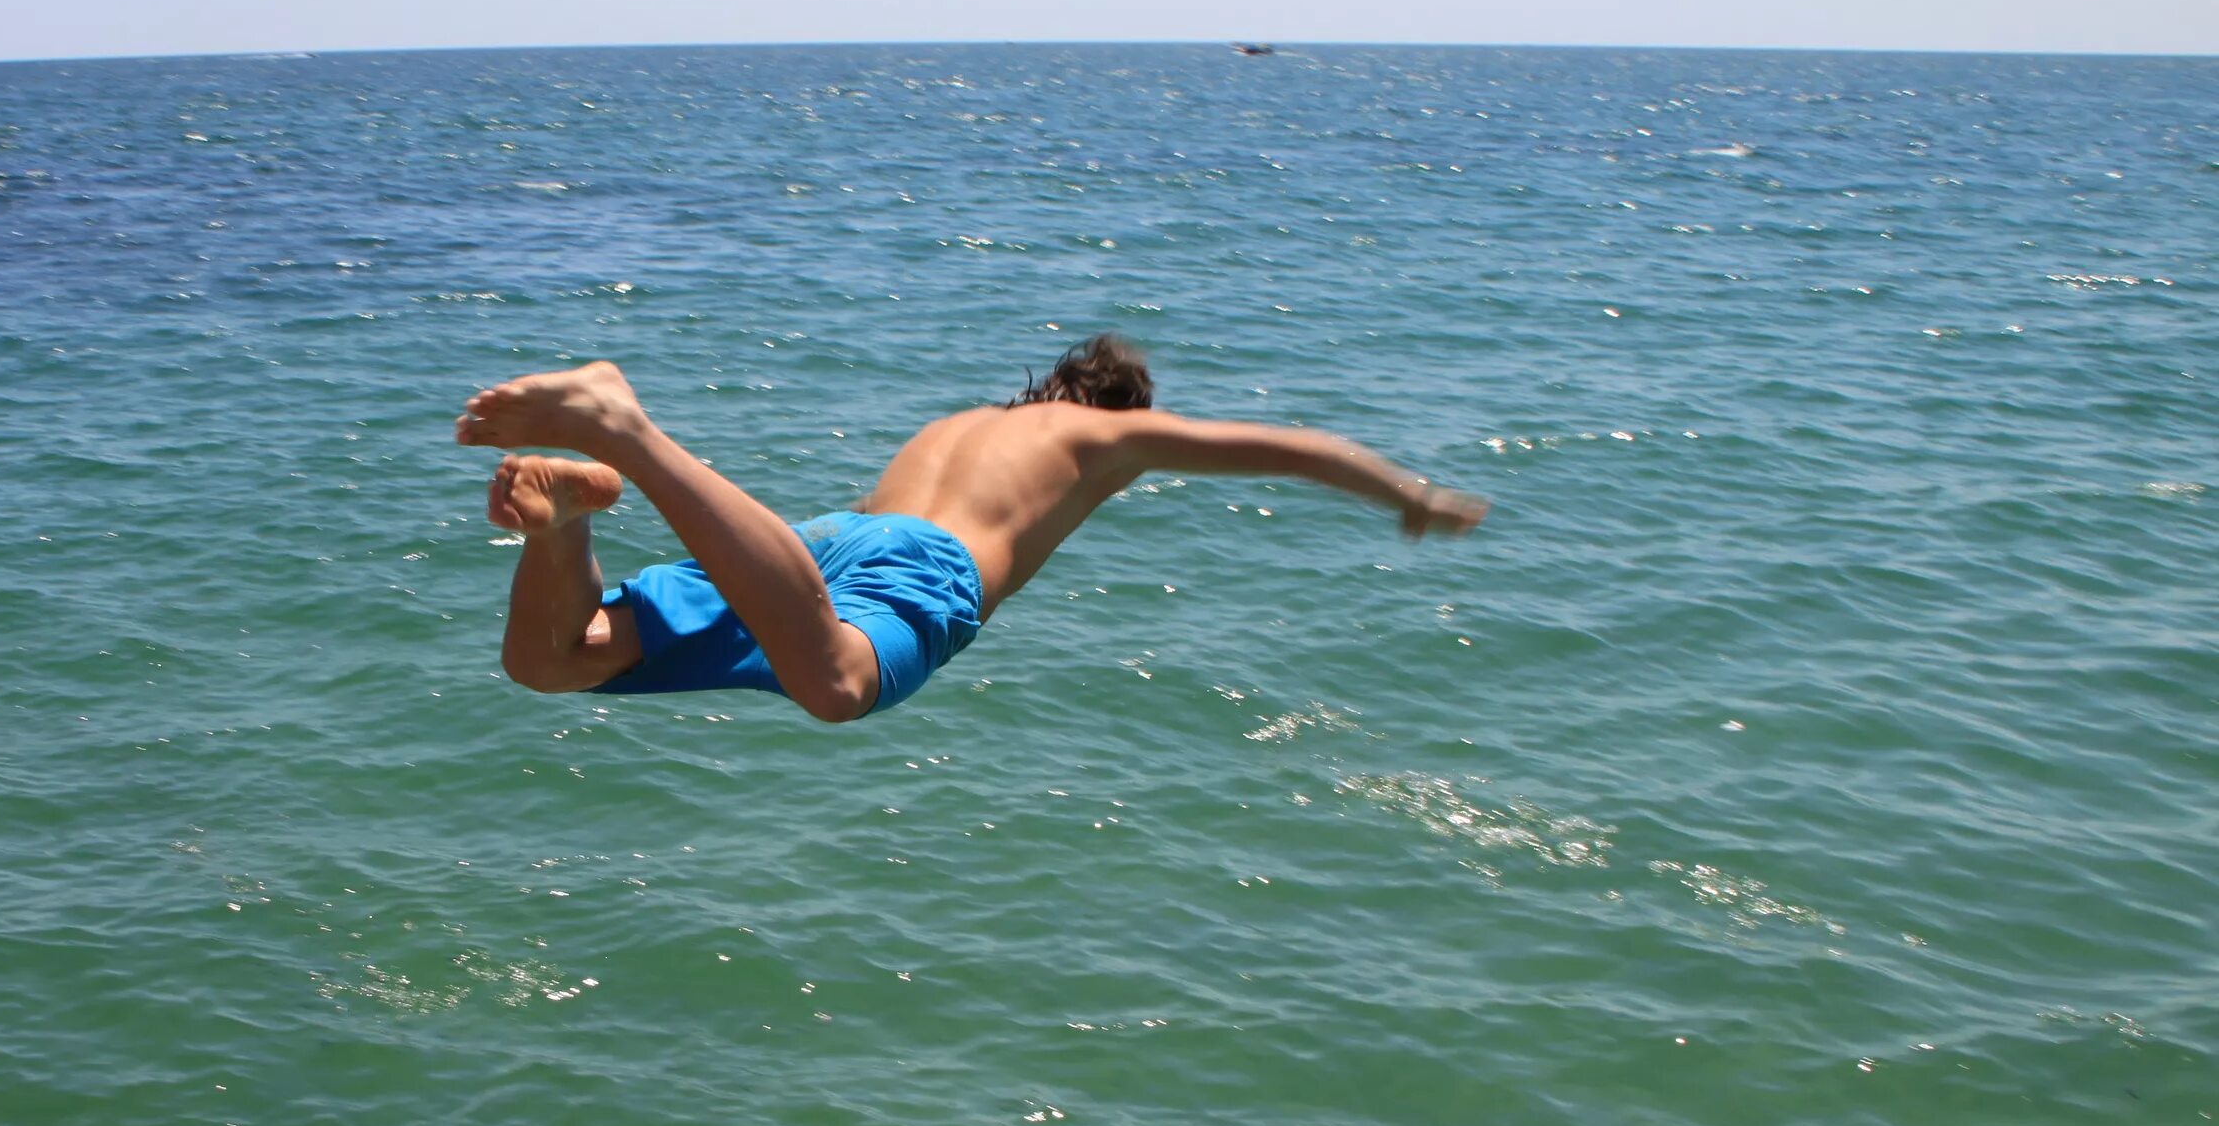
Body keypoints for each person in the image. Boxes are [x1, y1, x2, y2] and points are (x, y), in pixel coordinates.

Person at [459, 334, 1488, 724]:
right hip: (918, 567)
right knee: (836, 684)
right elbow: (1288, 445)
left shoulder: (957, 425)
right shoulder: (1104, 434)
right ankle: (627, 430)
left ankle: (563, 527)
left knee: (555, 662)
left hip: (825, 545)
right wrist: (1408, 495)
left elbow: (868, 540)